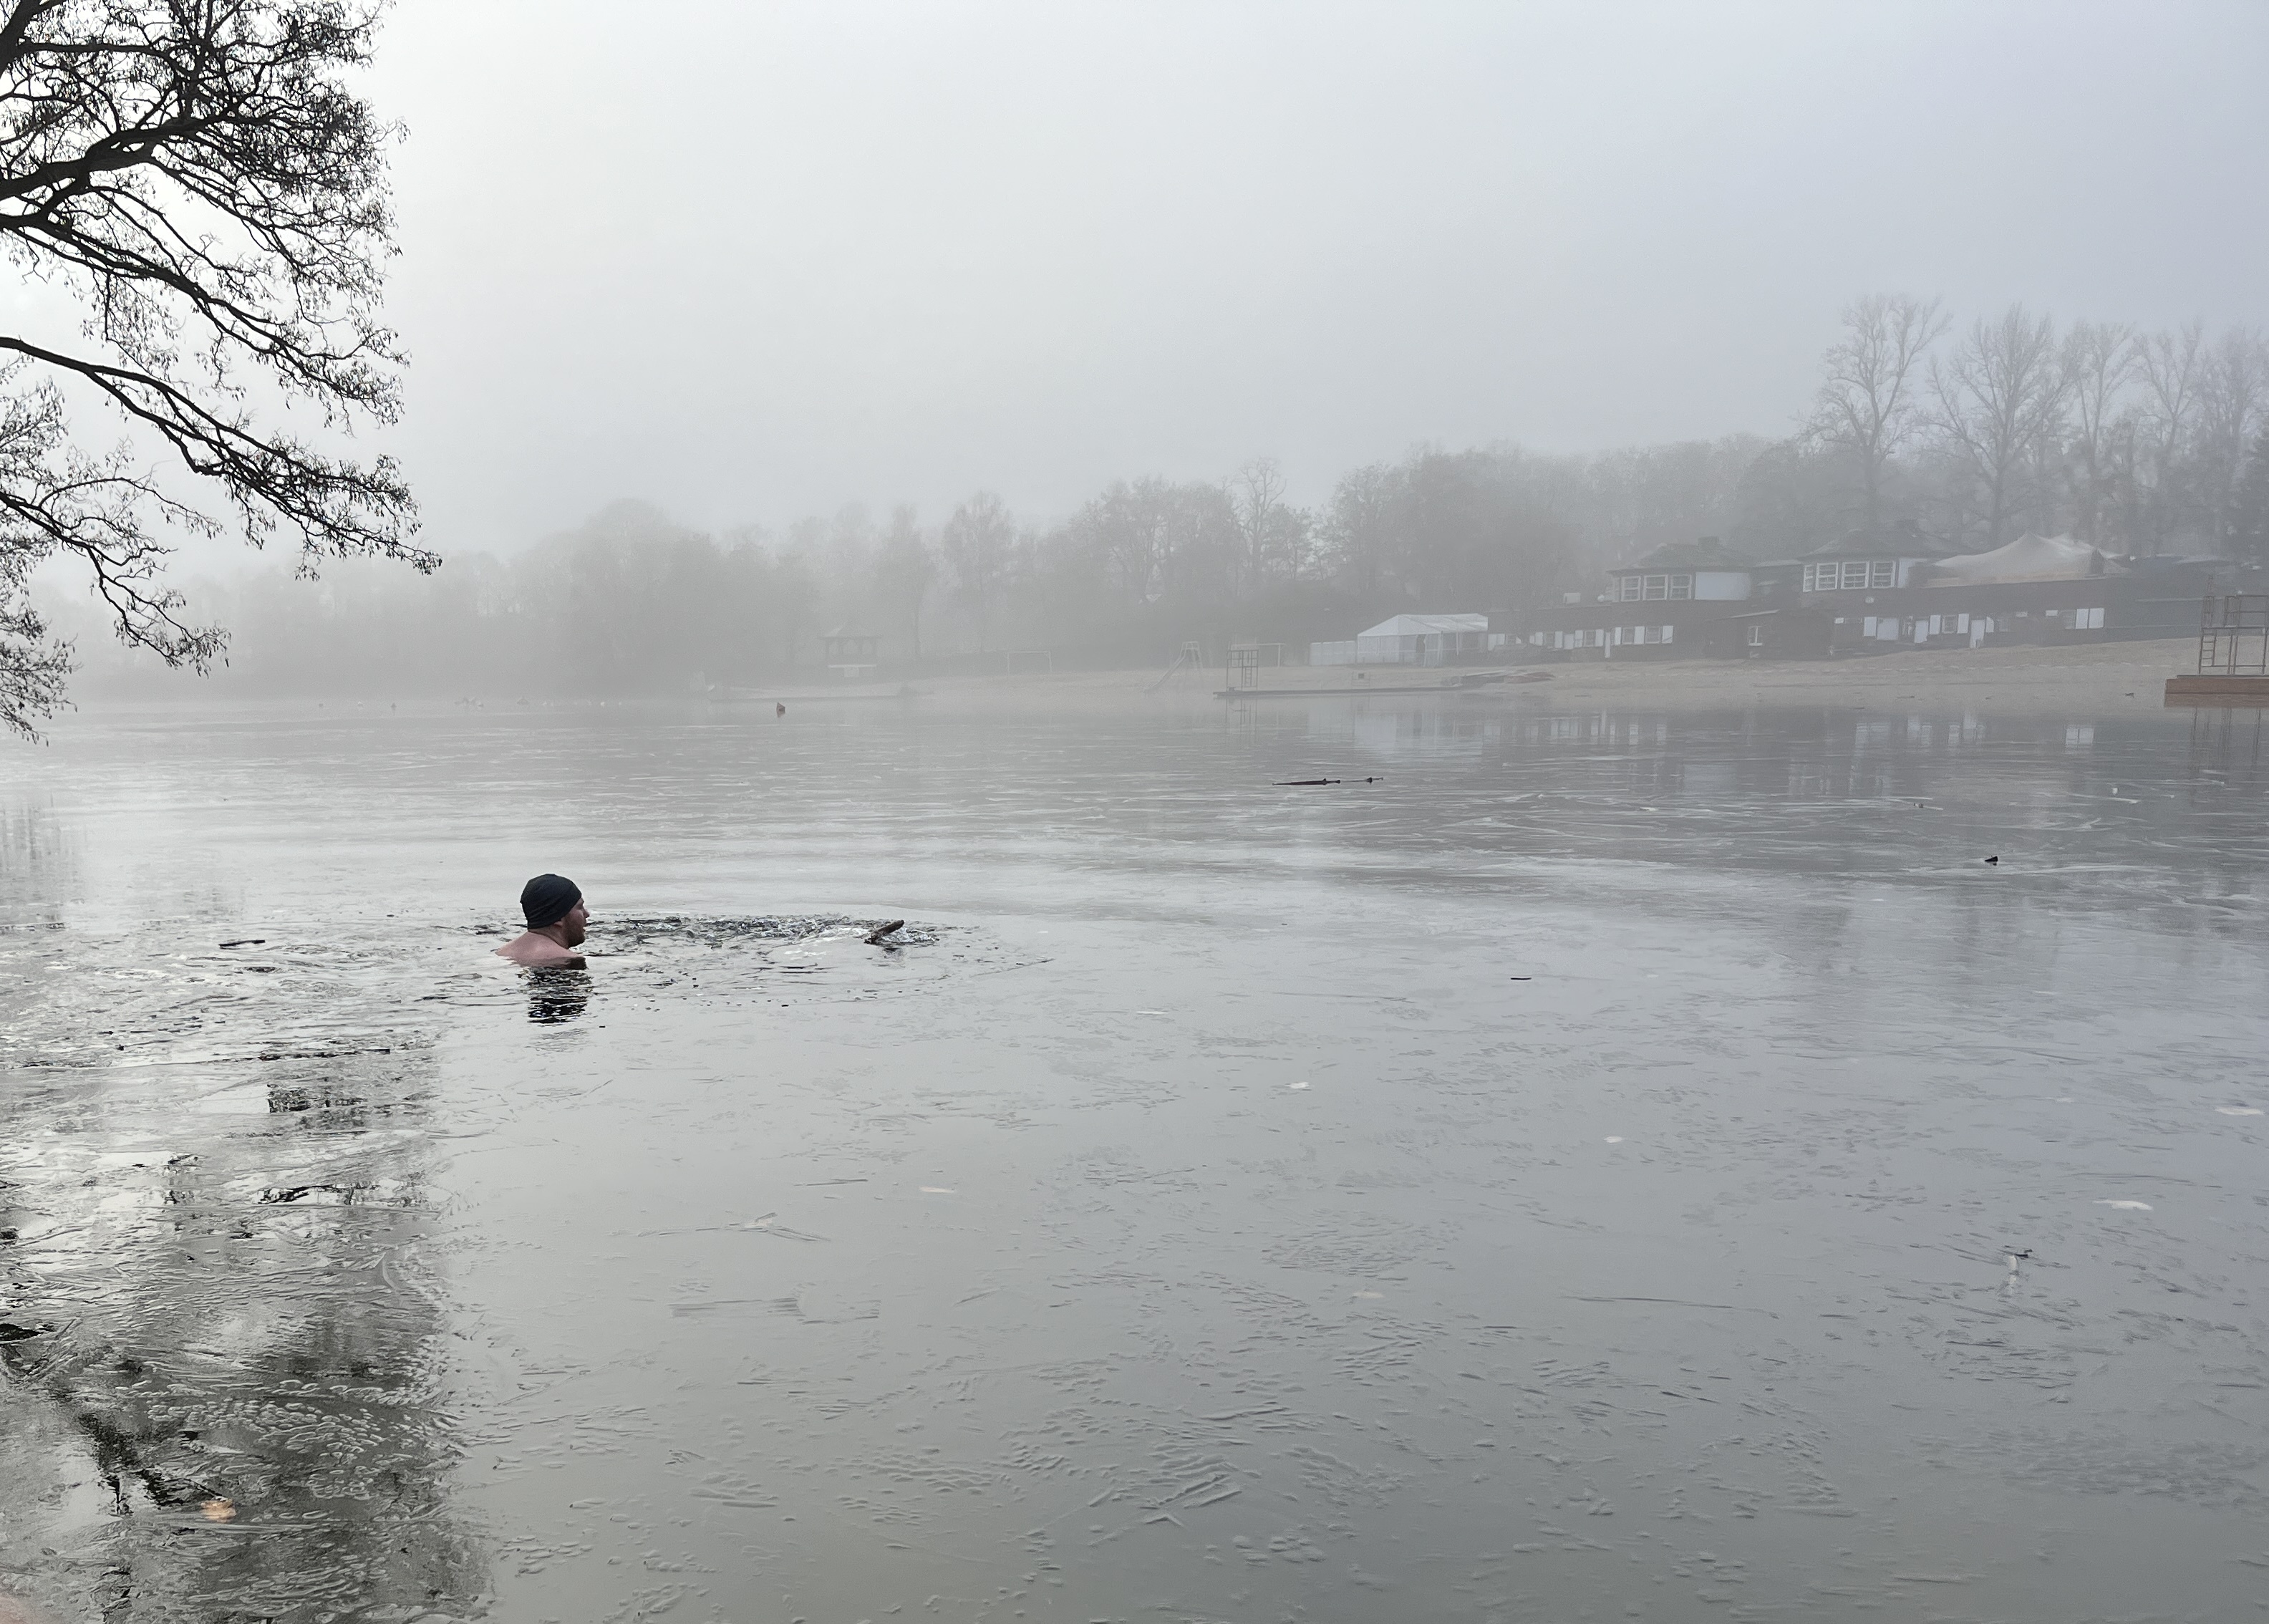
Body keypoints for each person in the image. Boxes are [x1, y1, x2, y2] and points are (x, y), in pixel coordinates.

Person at [497, 874, 588, 965]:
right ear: (558, 918)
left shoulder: (502, 954)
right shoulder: (569, 960)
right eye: (580, 907)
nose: (587, 914)